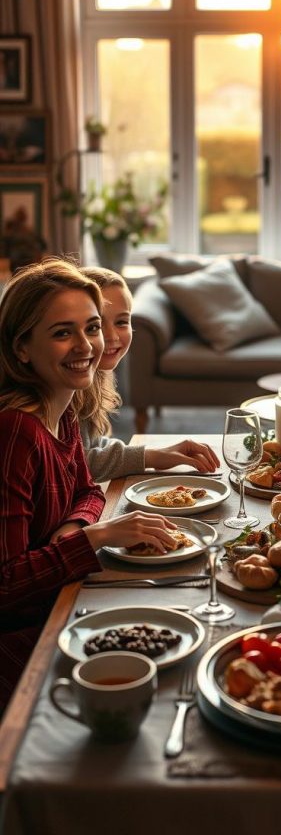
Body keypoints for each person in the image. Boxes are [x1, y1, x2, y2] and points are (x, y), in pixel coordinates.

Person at [0, 258, 180, 713]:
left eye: (92, 327)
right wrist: (95, 536)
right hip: (20, 638)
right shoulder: (16, 431)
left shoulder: (62, 405)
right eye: (62, 333)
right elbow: (4, 586)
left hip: (58, 600)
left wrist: (73, 529)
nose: (88, 346)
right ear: (22, 348)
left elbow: (88, 491)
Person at [79, 266, 220, 482]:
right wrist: (151, 457)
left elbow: (92, 446)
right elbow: (79, 464)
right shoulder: (69, 387)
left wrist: (156, 455)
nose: (111, 335)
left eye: (122, 322)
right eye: (96, 324)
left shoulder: (95, 378)